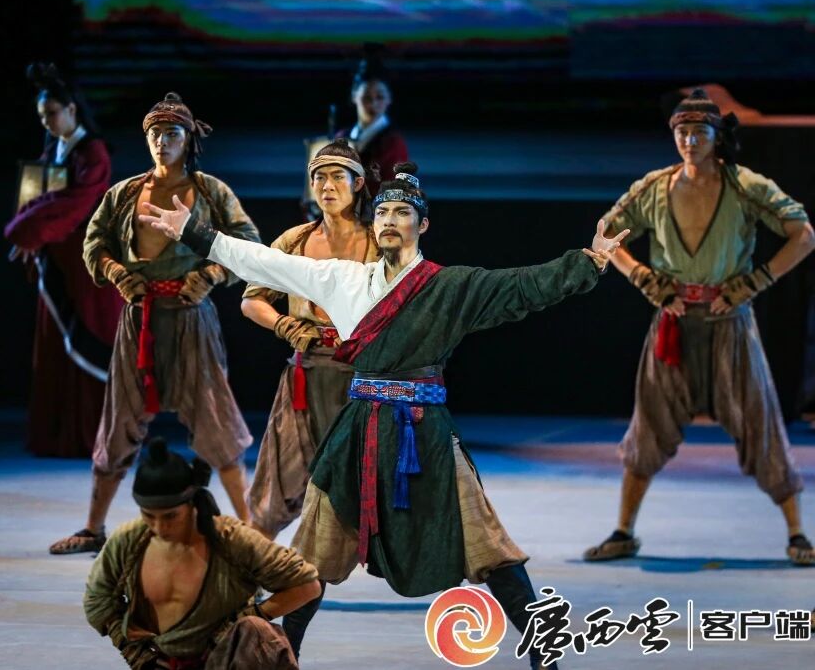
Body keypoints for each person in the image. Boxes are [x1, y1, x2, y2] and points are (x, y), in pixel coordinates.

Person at [141, 162, 629, 668]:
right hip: (358, 431)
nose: (390, 220)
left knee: (489, 546)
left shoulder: (450, 286)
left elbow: (524, 286)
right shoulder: (342, 279)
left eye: (402, 212)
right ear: (373, 224)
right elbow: (263, 263)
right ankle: (283, 659)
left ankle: (545, 658)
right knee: (311, 557)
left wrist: (589, 261)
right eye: (382, 213)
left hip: (425, 434)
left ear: (423, 224)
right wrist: (196, 233)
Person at [583, 89, 815, 566]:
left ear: (716, 136)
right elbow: (605, 235)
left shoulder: (743, 185)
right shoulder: (654, 187)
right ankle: (623, 530)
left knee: (761, 422)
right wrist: (644, 278)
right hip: (673, 323)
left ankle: (797, 534)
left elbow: (804, 235)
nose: (690, 141)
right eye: (683, 132)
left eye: (699, 132)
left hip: (731, 323)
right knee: (649, 425)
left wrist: (757, 281)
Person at [50, 93, 261, 555]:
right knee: (119, 420)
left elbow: (247, 242)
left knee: (216, 420)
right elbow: (94, 242)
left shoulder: (210, 192)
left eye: (171, 133)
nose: (162, 142)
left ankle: (249, 532)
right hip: (139, 320)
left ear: (188, 139)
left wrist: (210, 275)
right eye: (154, 134)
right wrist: (116, 272)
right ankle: (93, 527)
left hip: (190, 320)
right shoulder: (125, 193)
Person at [84, 438, 322, 669]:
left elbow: (307, 585)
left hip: (228, 659)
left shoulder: (230, 539)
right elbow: (97, 601)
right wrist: (136, 654)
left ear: (192, 503)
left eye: (170, 516)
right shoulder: (129, 541)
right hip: (160, 661)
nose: (159, 527)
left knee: (256, 631)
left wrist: (248, 617)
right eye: (149, 515)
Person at [242, 139, 379, 538]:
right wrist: (284, 324)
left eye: (337, 176)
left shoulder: (380, 241)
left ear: (357, 183)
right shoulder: (295, 241)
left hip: (364, 379)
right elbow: (252, 301)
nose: (327, 185)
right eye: (319, 177)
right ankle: (252, 566)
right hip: (307, 375)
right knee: (277, 485)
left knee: (371, 485)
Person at [4, 62, 123, 457]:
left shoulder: (94, 152)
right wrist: (29, 228)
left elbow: (74, 203)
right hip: (58, 257)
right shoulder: (55, 147)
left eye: (52, 113)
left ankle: (92, 437)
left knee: (87, 338)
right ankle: (57, 434)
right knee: (57, 346)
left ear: (72, 109)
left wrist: (27, 231)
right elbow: (42, 195)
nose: (48, 122)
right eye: (43, 116)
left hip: (87, 262)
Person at [333, 47, 408, 197]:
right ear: (354, 97)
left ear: (389, 99)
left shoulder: (393, 143)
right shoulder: (342, 136)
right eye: (366, 98)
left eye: (380, 97)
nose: (373, 104)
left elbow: (392, 192)